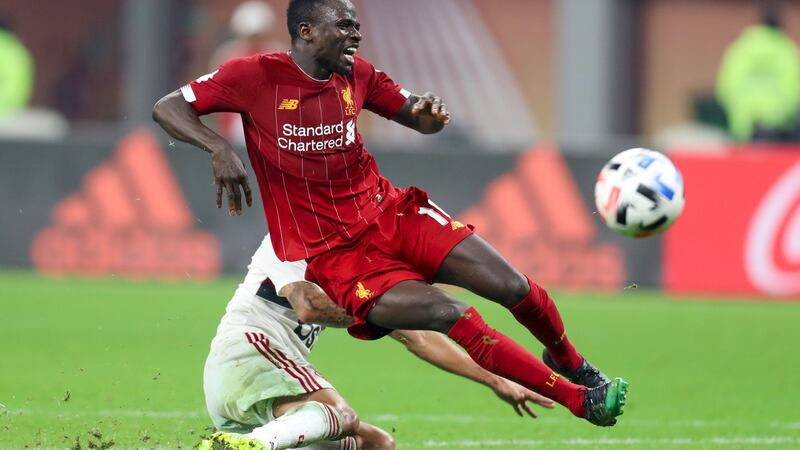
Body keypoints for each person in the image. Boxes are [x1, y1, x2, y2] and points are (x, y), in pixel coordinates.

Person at [153, 0, 628, 438]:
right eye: (344, 24)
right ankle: (580, 402)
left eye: (358, 23)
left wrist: (428, 117)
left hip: (393, 214)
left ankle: (569, 360)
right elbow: (168, 107)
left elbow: (411, 113)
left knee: (513, 287)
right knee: (453, 315)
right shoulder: (254, 76)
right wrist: (218, 148)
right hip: (342, 259)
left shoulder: (356, 74)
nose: (356, 32)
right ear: (307, 32)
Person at [199, 234, 554, 450]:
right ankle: (257, 444)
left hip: (255, 389)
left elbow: (421, 336)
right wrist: (371, 311)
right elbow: (307, 306)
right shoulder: (292, 237)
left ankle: (249, 444)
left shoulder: (358, 264)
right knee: (341, 415)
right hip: (248, 353)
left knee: (376, 444)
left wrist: (494, 379)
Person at [716, 1, 800, 142]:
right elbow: (794, 92)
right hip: (778, 131)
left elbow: (724, 89)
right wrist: (776, 116)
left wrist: (743, 115)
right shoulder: (787, 51)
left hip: (743, 130)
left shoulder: (740, 49)